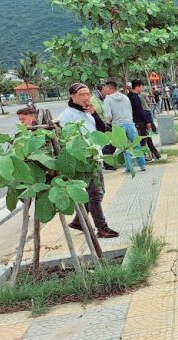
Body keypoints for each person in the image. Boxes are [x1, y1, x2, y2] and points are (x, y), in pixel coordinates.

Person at [58, 83, 119, 238]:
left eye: (87, 94)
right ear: (72, 96)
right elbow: (67, 138)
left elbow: (102, 130)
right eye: (81, 94)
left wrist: (95, 114)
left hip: (95, 155)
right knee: (96, 194)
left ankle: (79, 221)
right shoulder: (67, 115)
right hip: (84, 159)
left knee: (94, 193)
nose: (86, 97)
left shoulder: (88, 112)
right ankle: (102, 227)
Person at [103, 81, 147, 173]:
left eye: (105, 87)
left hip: (118, 125)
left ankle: (129, 167)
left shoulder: (108, 99)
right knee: (135, 144)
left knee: (124, 147)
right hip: (130, 123)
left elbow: (108, 115)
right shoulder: (125, 97)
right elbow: (130, 109)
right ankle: (142, 165)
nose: (104, 89)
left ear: (110, 88)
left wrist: (109, 122)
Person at [128, 80, 161, 160]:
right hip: (139, 122)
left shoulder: (129, 96)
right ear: (137, 86)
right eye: (141, 87)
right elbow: (140, 111)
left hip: (136, 120)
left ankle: (156, 154)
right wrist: (147, 121)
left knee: (147, 137)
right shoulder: (135, 97)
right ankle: (142, 156)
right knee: (143, 140)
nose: (142, 89)